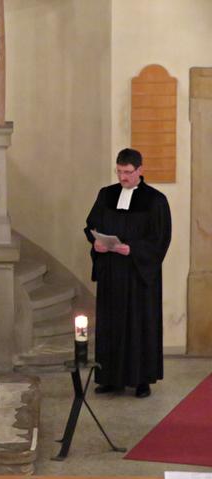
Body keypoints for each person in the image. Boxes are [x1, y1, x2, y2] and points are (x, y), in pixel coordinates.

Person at [84, 148, 171, 398]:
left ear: (140, 170)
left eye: (128, 172)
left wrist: (133, 249)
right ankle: (110, 379)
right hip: (111, 273)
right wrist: (96, 243)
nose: (123, 177)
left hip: (138, 276)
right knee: (110, 325)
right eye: (119, 171)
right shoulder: (106, 194)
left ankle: (141, 380)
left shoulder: (155, 200)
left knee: (139, 326)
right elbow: (91, 226)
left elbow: (160, 239)